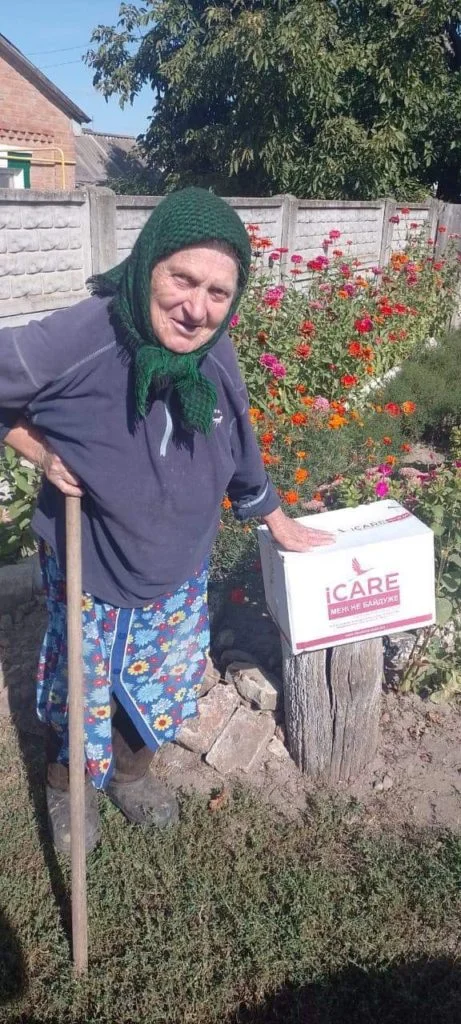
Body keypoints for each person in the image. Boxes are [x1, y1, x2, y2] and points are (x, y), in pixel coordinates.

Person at [0, 187, 333, 854]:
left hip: (178, 566)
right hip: (93, 562)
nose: (197, 306)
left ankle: (130, 773)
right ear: (149, 262)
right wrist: (37, 449)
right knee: (82, 689)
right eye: (183, 279)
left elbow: (234, 446)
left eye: (217, 291)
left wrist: (276, 519)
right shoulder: (83, 335)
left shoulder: (216, 351)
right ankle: (70, 789)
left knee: (157, 683)